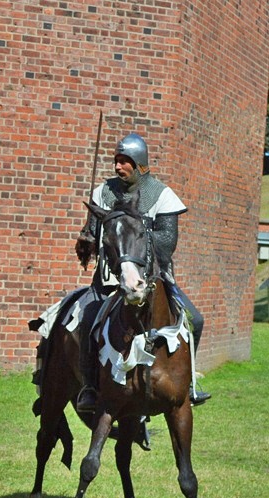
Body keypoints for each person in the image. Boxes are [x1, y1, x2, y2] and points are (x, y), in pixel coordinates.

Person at [74, 132, 210, 417]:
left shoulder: (162, 195)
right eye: (116, 160)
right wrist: (86, 238)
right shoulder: (102, 193)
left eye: (124, 161)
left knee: (194, 320)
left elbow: (166, 243)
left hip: (153, 280)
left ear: (140, 164)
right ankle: (89, 387)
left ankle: (189, 383)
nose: (118, 166)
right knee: (86, 320)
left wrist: (136, 233)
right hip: (109, 281)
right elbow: (93, 235)